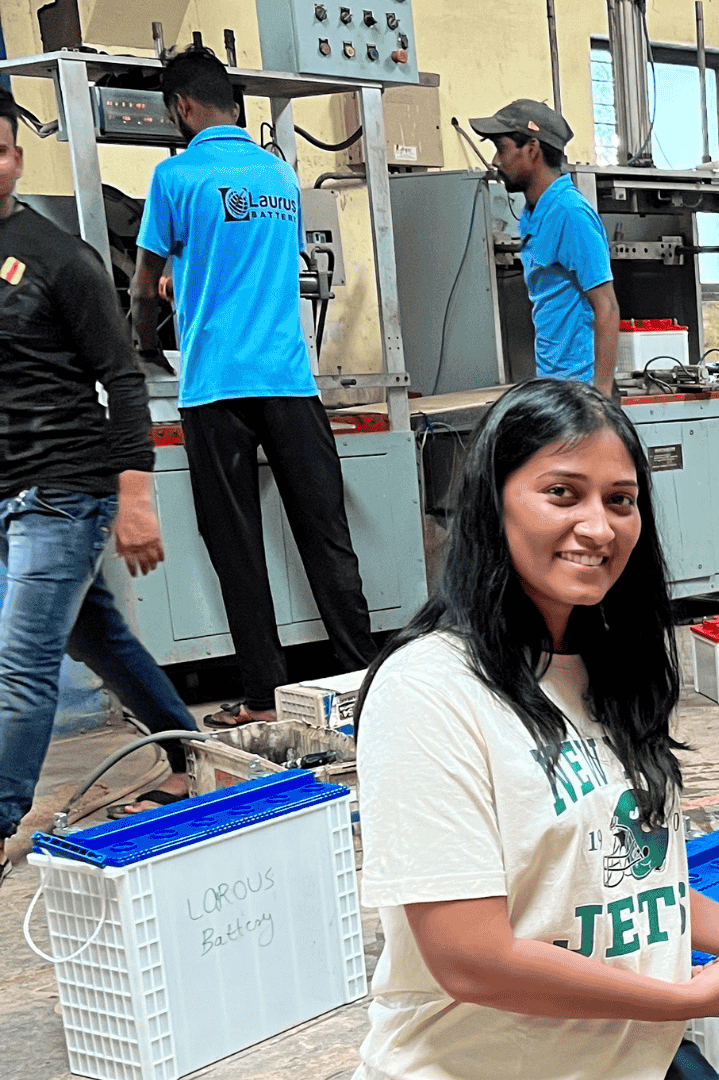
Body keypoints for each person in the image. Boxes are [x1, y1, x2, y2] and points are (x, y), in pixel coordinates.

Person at [353, 379, 719, 1080]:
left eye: (620, 500)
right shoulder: (430, 690)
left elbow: (613, 877)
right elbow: (469, 956)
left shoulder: (607, 672)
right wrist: (679, 999)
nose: (599, 527)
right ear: (492, 503)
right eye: (563, 493)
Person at [130, 46, 375, 728]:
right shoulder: (278, 172)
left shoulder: (174, 177)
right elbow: (265, 263)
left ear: (181, 107)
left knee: (236, 547)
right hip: (290, 381)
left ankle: (263, 692)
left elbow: (145, 283)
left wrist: (143, 344)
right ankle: (362, 677)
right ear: (233, 105)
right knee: (325, 535)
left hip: (214, 387)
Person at [0, 88, 204, 880]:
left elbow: (122, 379)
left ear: (15, 157)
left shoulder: (60, 260)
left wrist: (135, 494)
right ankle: (186, 752)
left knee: (22, 660)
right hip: (10, 492)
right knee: (98, 637)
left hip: (65, 489)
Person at [471, 99, 619, 395]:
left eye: (501, 148)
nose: (496, 161)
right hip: (556, 385)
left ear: (532, 148)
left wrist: (600, 400)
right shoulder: (534, 213)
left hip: (582, 389)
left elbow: (607, 306)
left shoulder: (570, 213)